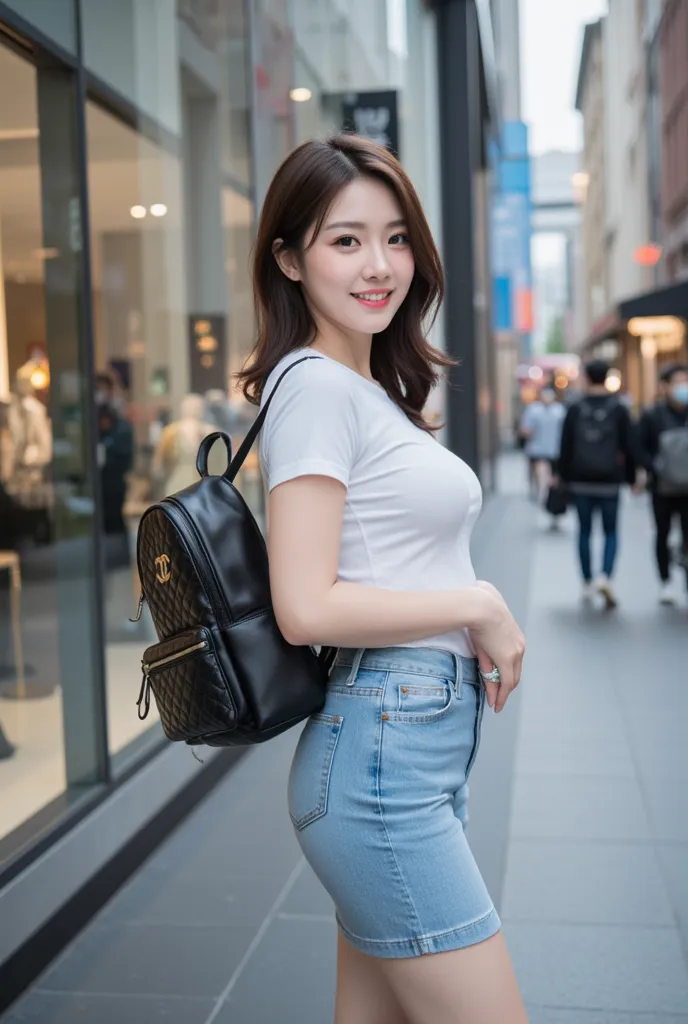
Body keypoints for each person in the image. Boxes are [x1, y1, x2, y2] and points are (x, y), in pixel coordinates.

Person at [237, 135, 527, 1024]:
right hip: (381, 755)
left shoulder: (363, 390)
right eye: (346, 240)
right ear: (288, 258)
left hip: (406, 745)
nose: (380, 265)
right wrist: (479, 605)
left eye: (396, 238)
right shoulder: (318, 389)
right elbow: (304, 606)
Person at [557, 359, 639, 608]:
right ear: (607, 377)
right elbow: (630, 446)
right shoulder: (619, 408)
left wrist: (562, 476)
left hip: (580, 480)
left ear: (585, 377)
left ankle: (587, 582)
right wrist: (633, 477)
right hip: (610, 481)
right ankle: (606, 576)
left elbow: (565, 446)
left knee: (584, 532)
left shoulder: (575, 408)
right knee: (611, 531)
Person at [636, 362, 688, 605]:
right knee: (663, 533)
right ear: (665, 386)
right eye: (678, 382)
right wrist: (655, 468)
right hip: (662, 487)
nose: (683, 387)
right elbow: (639, 448)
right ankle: (665, 581)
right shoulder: (653, 415)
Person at [518, 386, 566, 525]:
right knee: (540, 474)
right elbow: (526, 429)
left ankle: (549, 499)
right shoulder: (533, 410)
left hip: (554, 451)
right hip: (537, 449)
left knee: (552, 479)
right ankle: (542, 495)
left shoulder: (559, 411)